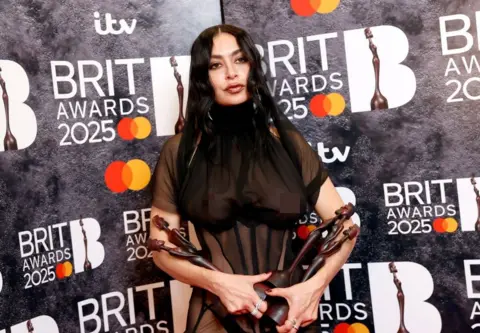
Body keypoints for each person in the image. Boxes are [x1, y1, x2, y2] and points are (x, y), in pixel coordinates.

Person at [149, 24, 358, 333]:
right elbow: (161, 250)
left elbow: (346, 227)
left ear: (252, 66)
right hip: (215, 314)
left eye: (240, 60)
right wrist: (220, 284)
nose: (231, 73)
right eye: (216, 65)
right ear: (202, 78)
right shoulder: (180, 152)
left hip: (289, 314)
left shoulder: (287, 143)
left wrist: (313, 288)